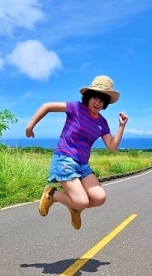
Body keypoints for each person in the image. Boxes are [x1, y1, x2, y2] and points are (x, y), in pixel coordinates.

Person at [25, 75, 128, 230]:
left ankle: (73, 208)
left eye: (102, 101)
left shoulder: (102, 122)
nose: (97, 103)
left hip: (82, 165)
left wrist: (121, 126)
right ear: (88, 96)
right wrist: (30, 127)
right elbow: (47, 106)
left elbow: (112, 147)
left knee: (100, 198)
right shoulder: (76, 108)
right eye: (95, 98)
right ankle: (52, 194)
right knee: (82, 201)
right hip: (64, 160)